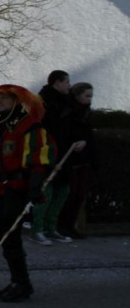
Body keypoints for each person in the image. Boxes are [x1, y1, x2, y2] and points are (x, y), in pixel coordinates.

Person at [0, 85, 52, 302]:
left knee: (10, 235)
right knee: (3, 234)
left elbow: (37, 162)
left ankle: (22, 284)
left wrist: (34, 187)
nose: (0, 101)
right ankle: (17, 281)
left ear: (17, 102)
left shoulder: (30, 128)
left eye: (5, 98)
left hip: (16, 189)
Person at [34, 70, 74, 244]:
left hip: (64, 150)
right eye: (67, 82)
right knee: (46, 191)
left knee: (62, 190)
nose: (69, 85)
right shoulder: (42, 101)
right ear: (57, 83)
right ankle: (37, 229)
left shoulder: (66, 102)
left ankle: (51, 227)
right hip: (47, 150)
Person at [57, 82, 95, 239]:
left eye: (91, 96)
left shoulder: (87, 112)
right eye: (87, 96)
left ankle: (70, 225)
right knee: (70, 193)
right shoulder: (69, 111)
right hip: (70, 158)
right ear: (77, 95)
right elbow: (65, 133)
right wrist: (77, 141)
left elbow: (89, 134)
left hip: (83, 158)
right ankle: (61, 225)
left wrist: (85, 141)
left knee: (80, 194)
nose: (90, 99)